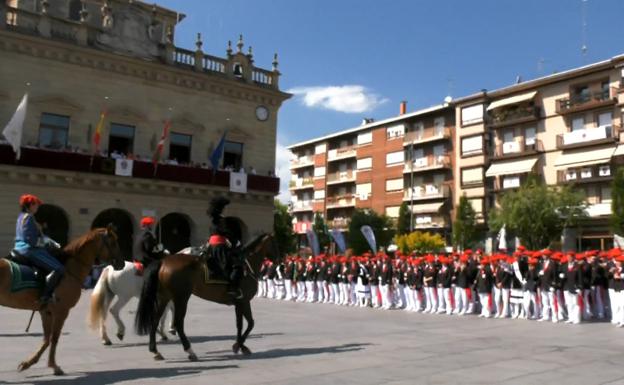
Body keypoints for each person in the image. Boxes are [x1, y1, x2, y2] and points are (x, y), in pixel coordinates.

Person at [13, 194, 64, 305]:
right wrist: (46, 243)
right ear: (30, 205)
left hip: (20, 248)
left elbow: (35, 235)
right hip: (29, 249)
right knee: (59, 269)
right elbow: (30, 239)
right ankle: (45, 296)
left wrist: (50, 241)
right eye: (36, 205)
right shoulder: (29, 217)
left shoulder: (21, 216)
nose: (37, 207)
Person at [204, 197, 244, 299]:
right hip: (219, 248)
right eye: (224, 208)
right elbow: (226, 232)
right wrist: (236, 242)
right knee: (237, 265)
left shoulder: (213, 220)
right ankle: (232, 289)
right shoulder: (221, 220)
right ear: (221, 209)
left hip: (211, 247)